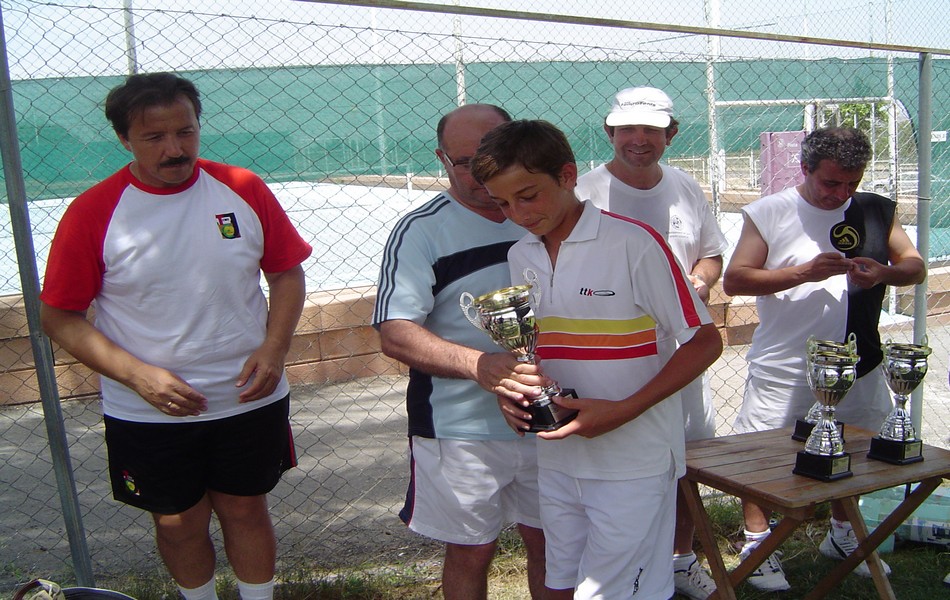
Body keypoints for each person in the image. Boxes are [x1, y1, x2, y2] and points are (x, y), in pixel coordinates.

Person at [39, 73, 312, 600]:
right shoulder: (93, 212)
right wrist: (138, 376)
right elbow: (60, 316)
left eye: (185, 132)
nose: (174, 149)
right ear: (124, 139)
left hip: (247, 395)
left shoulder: (242, 188)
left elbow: (286, 273)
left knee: (246, 508)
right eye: (154, 137)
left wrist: (274, 348)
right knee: (178, 522)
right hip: (149, 409)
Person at [470, 119, 723, 600]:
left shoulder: (634, 243)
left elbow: (705, 342)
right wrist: (517, 393)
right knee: (562, 583)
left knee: (617, 592)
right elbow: (537, 351)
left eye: (528, 196)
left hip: (633, 461)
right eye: (502, 204)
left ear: (567, 175)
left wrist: (623, 410)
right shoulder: (522, 254)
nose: (518, 214)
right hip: (559, 458)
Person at [722, 126, 925, 591]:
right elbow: (735, 279)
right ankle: (757, 541)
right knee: (762, 454)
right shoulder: (770, 211)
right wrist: (803, 272)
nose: (841, 194)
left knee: (857, 450)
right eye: (831, 183)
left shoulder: (875, 209)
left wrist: (884, 273)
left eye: (852, 183)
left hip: (859, 360)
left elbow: (914, 266)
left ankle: (843, 533)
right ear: (805, 168)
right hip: (785, 363)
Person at [372, 104, 547, 600]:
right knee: (471, 552)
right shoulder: (421, 231)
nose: (481, 172)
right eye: (465, 162)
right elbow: (395, 332)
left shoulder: (545, 216)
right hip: (461, 430)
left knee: (554, 540)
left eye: (492, 155)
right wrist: (479, 365)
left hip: (552, 419)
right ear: (442, 160)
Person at [574, 86, 728, 600]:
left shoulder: (686, 187)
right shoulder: (585, 194)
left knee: (686, 460)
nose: (638, 139)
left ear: (671, 134)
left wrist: (700, 281)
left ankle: (680, 560)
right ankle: (614, 569)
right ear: (609, 132)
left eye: (651, 129)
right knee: (615, 464)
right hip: (614, 359)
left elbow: (711, 255)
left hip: (685, 353)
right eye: (627, 128)